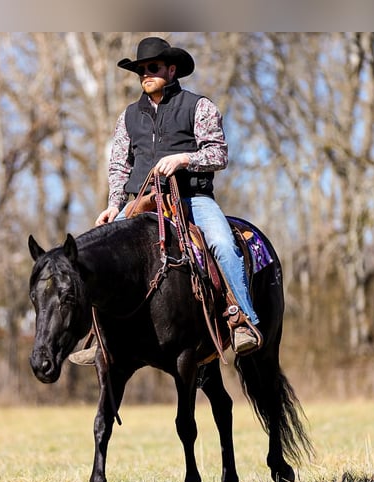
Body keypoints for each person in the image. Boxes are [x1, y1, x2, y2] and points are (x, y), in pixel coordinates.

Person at [70, 36, 261, 365]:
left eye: (153, 68)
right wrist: (114, 204)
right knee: (95, 253)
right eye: (141, 70)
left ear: (172, 70)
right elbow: (119, 165)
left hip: (193, 197)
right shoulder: (128, 116)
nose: (146, 74)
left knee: (221, 243)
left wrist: (184, 160)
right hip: (141, 202)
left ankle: (242, 321)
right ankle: (95, 335)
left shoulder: (199, 107)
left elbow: (219, 154)